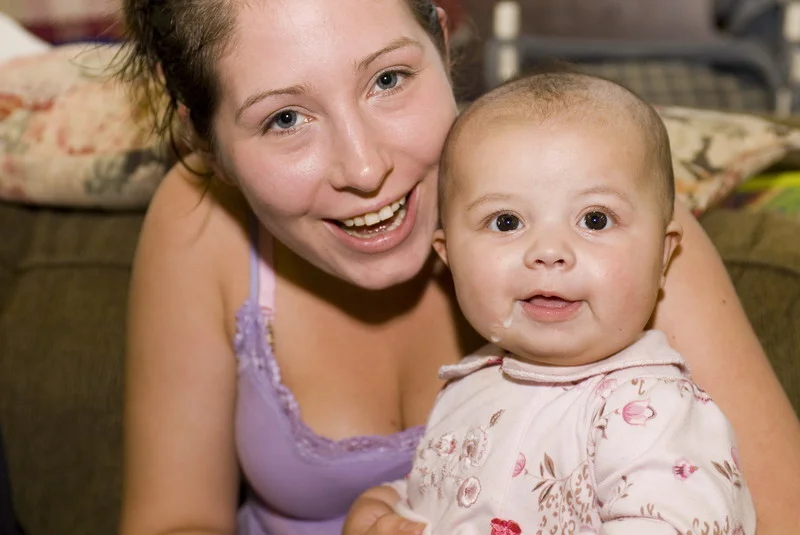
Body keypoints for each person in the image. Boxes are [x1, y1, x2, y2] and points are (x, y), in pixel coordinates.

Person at [115, 1, 800, 534]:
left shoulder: (612, 237)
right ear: (204, 140)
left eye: (389, 79)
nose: (365, 168)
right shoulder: (200, 223)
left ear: (441, 43)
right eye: (286, 119)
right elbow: (174, 518)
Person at [378, 71, 756, 534]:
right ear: (449, 257)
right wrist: (392, 504)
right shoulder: (470, 386)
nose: (549, 250)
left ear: (663, 256)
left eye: (595, 220)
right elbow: (454, 491)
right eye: (506, 222)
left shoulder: (651, 410)